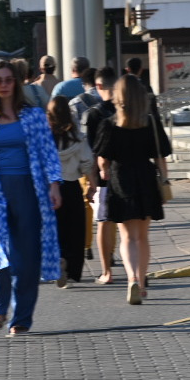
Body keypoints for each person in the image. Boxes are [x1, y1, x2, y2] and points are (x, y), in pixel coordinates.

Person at [0, 60, 64, 335]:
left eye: (8, 80)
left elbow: (48, 151)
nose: (4, 85)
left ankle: (22, 317)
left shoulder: (34, 116)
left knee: (27, 256)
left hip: (29, 189)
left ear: (16, 83)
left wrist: (54, 185)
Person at [94, 74, 171, 305]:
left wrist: (103, 170)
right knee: (142, 236)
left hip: (121, 179)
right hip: (146, 179)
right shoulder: (150, 122)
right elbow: (160, 156)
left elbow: (102, 159)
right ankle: (142, 278)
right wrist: (165, 180)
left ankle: (131, 278)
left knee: (127, 236)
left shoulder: (109, 124)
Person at [78, 66, 120, 283]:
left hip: (103, 174)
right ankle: (138, 275)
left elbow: (90, 151)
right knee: (130, 229)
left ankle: (107, 272)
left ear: (98, 85)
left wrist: (91, 181)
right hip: (127, 173)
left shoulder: (92, 114)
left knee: (104, 221)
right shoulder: (128, 110)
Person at [48, 92, 92, 286]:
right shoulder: (77, 138)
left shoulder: (46, 139)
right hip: (73, 186)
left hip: (52, 188)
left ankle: (58, 259)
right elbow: (87, 162)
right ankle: (73, 272)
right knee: (75, 232)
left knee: (56, 230)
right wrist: (92, 185)